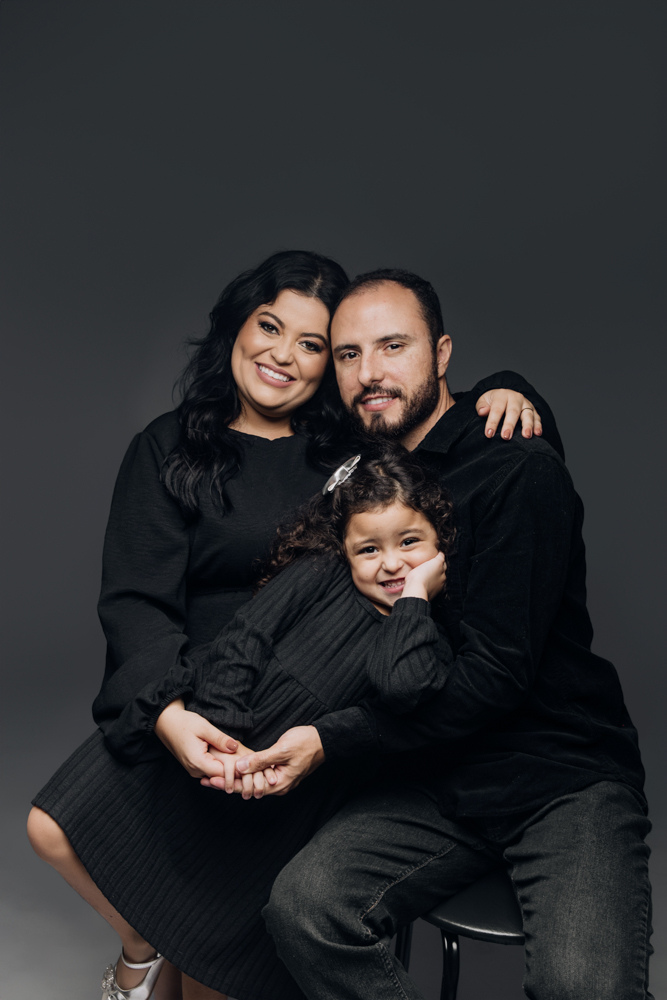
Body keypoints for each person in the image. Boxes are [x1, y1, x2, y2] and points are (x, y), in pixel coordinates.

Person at [26, 250, 544, 1000]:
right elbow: (135, 602)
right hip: (192, 696)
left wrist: (514, 390)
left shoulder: (356, 451)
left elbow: (441, 426)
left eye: (312, 345)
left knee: (211, 963)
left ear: (330, 365)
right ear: (237, 325)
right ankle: (141, 950)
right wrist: (172, 716)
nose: (283, 356)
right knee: (56, 829)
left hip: (310, 710)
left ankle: (167, 966)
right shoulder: (168, 447)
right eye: (270, 326)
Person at [236, 270, 652, 1000]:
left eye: (393, 346)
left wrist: (330, 740)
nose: (370, 373)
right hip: (433, 778)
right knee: (304, 910)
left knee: (582, 989)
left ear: (442, 353)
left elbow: (496, 677)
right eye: (348, 354)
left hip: (557, 775)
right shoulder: (368, 474)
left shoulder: (516, 466)